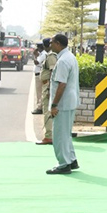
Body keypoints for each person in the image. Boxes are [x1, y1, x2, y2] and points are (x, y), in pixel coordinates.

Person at [45, 34, 80, 175]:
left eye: (52, 42)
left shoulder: (63, 61)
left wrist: (54, 105)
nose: (50, 43)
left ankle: (63, 164)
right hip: (69, 102)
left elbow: (61, 84)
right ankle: (71, 160)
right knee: (66, 134)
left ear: (58, 44)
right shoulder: (69, 57)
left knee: (59, 135)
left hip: (63, 104)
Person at [35, 38, 58, 143]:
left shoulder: (51, 57)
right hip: (46, 85)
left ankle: (49, 136)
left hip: (48, 85)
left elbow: (53, 73)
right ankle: (49, 135)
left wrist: (49, 90)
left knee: (48, 112)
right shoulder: (48, 56)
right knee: (46, 111)